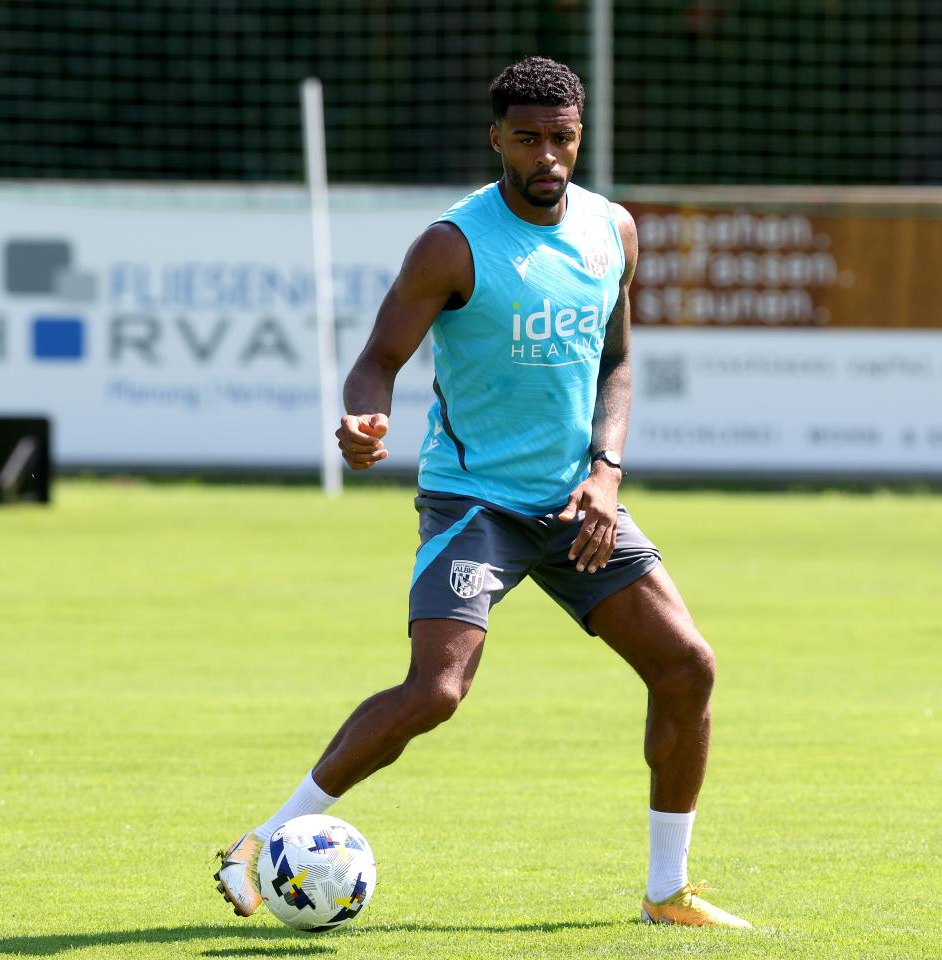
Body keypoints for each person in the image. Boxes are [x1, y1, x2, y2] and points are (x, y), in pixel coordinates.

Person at [215, 56, 749, 929]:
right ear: (496, 138)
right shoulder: (453, 245)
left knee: (687, 665)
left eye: (562, 138)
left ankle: (667, 892)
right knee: (436, 692)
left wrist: (606, 470)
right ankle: (259, 841)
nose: (548, 156)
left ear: (580, 135)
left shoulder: (613, 229)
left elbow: (617, 363)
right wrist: (362, 420)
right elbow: (378, 360)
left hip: (576, 504)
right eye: (528, 139)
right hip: (475, 504)